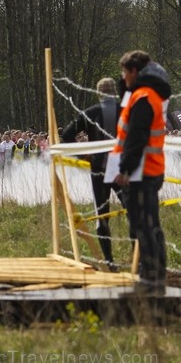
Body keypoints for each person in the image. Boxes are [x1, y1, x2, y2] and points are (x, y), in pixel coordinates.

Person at [112, 50, 171, 296]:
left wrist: (124, 168)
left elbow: (136, 137)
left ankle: (150, 280)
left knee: (143, 226)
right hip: (148, 168)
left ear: (134, 72)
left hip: (141, 172)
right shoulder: (147, 94)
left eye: (125, 73)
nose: (123, 78)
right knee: (150, 225)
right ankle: (154, 277)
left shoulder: (144, 97)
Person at [61, 77, 123, 270]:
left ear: (98, 93)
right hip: (123, 167)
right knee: (134, 211)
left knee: (102, 215)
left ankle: (110, 261)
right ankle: (139, 259)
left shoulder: (90, 113)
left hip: (99, 168)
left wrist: (83, 154)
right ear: (115, 92)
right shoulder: (127, 111)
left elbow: (67, 134)